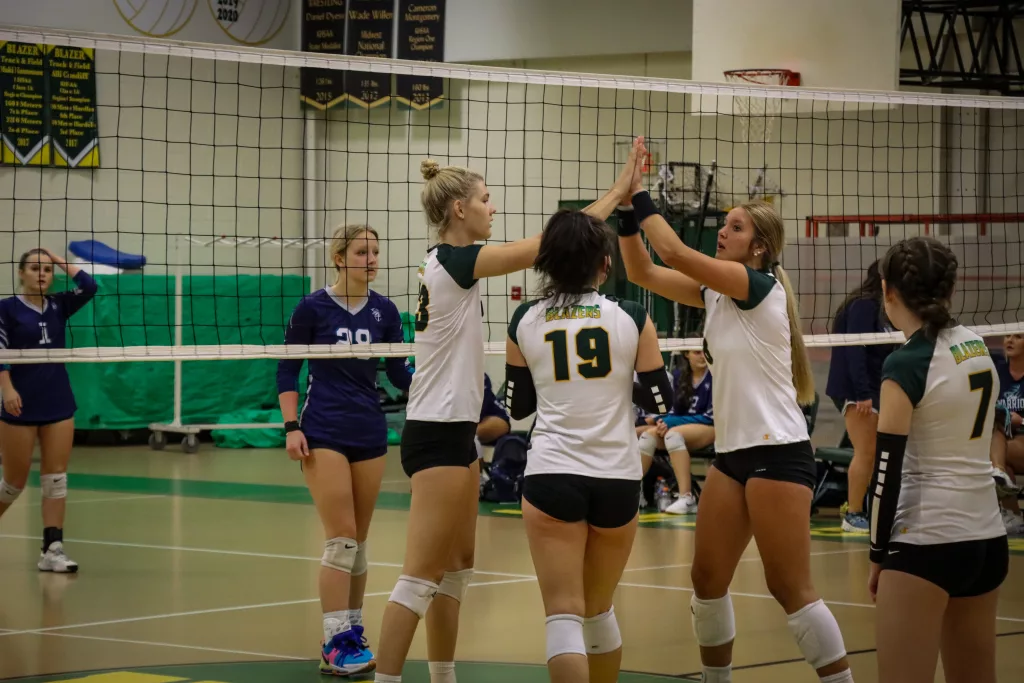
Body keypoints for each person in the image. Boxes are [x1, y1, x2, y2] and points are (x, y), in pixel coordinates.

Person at [372, 158, 634, 683]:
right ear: (459, 208)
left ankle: (443, 675)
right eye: (486, 199)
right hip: (437, 430)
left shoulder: (447, 262)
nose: (493, 208)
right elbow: (553, 243)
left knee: (456, 571)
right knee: (420, 577)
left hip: (456, 430)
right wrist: (618, 191)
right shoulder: (456, 260)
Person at [617, 136, 854, 683]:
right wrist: (627, 212)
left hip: (779, 452)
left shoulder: (758, 286)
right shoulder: (716, 293)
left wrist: (640, 191)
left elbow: (675, 253)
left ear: (759, 248)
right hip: (733, 455)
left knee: (789, 587)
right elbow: (643, 272)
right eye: (724, 224)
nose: (723, 231)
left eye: (736, 227)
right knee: (706, 580)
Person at [504, 204, 671, 683]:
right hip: (616, 476)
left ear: (546, 263)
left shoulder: (524, 319)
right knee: (599, 610)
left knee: (563, 613)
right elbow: (662, 397)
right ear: (605, 263)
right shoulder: (631, 317)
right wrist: (621, 381)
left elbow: (518, 407)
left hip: (552, 473)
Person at [868, 236, 1008, 683]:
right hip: (987, 540)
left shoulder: (906, 364)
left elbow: (885, 471)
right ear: (950, 288)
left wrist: (876, 553)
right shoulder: (978, 347)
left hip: (926, 544)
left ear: (888, 291)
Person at [277, 224, 413, 676]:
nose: (371, 260)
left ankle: (353, 632)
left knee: (359, 545)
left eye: (375, 252)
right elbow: (287, 369)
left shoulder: (385, 311)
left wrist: (434, 373)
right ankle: (334, 641)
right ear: (339, 258)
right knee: (341, 541)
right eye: (361, 252)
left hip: (369, 430)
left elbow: (398, 374)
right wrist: (291, 427)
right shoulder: (311, 308)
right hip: (324, 429)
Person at [0, 248, 98, 573]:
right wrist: (7, 388)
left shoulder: (59, 305)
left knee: (56, 479)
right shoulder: (6, 309)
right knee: (13, 484)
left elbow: (89, 286)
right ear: (20, 273)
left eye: (46, 270)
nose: (41, 274)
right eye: (34, 268)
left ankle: (52, 550)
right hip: (20, 402)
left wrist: (56, 258)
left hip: (57, 401)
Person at [825, 260, 897, 533]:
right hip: (857, 390)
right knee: (866, 452)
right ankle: (853, 513)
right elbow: (854, 350)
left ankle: (867, 509)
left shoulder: (885, 309)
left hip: (874, 388)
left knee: (876, 452)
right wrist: (863, 394)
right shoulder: (865, 305)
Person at [638, 348, 715, 514]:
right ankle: (634, 493)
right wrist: (663, 422)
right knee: (647, 437)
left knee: (673, 435)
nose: (702, 356)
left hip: (710, 428)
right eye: (696, 352)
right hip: (681, 426)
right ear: (686, 354)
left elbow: (710, 416)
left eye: (703, 352)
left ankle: (686, 498)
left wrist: (670, 423)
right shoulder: (679, 376)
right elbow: (672, 410)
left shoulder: (714, 375)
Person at [990, 334, 1024, 534]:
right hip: (1004, 437)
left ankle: (998, 470)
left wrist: (1022, 421)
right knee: (1000, 460)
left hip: (1020, 440)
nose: (1010, 340)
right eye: (1007, 336)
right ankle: (1014, 516)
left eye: (1017, 337)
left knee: (996, 456)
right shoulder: (997, 373)